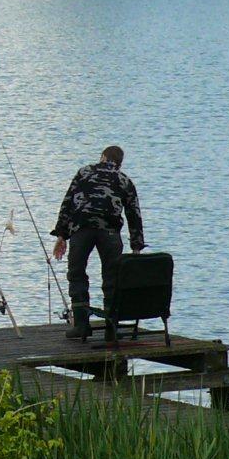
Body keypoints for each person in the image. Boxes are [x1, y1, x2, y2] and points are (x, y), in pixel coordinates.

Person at [51, 145, 145, 339]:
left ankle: (81, 325)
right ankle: (111, 327)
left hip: (81, 230)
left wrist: (62, 234)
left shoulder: (83, 173)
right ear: (119, 163)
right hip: (110, 233)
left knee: (76, 274)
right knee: (112, 278)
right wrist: (136, 246)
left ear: (102, 157)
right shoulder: (124, 180)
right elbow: (134, 214)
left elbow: (68, 203)